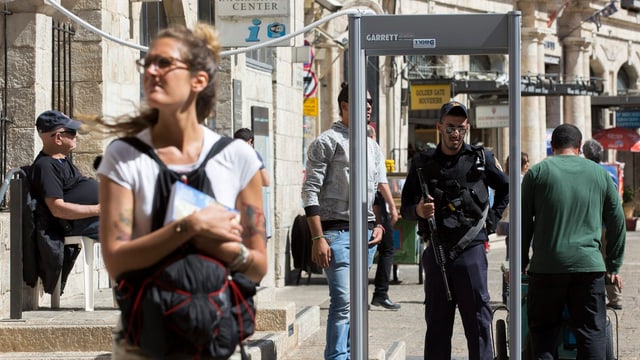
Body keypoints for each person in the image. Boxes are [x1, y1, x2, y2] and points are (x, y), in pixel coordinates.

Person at [95, 23, 267, 357]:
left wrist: (224, 249)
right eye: (147, 62)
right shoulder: (124, 155)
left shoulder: (237, 157)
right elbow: (116, 261)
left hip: (216, 338)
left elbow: (258, 266)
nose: (151, 71)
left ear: (198, 80)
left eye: (164, 63)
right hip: (144, 343)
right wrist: (190, 227)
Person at [400, 100, 509, 360]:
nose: (455, 133)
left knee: (479, 323)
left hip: (471, 251)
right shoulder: (422, 164)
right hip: (436, 252)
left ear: (468, 128)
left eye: (461, 128)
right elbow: (405, 207)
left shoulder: (481, 159)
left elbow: (505, 188)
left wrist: (491, 221)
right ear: (439, 127)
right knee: (437, 328)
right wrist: (418, 211)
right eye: (450, 127)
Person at [302, 83, 393, 360]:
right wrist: (318, 238)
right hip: (335, 233)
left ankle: (354, 353)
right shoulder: (326, 142)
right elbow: (309, 191)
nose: (368, 106)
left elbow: (375, 191)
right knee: (342, 302)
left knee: (356, 303)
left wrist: (378, 225)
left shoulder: (372, 146)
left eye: (370, 102)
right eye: (362, 101)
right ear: (344, 106)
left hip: (366, 236)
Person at [522, 124, 625, 358]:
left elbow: (523, 222)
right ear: (579, 147)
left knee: (544, 334)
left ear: (553, 146)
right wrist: (613, 265)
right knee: (592, 334)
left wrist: (521, 260)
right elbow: (617, 221)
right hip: (589, 268)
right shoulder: (599, 174)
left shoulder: (536, 173)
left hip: (547, 267)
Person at [29, 109, 101, 294]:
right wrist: (99, 209)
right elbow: (58, 209)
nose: (77, 136)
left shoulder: (63, 161)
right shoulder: (46, 166)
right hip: (78, 223)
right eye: (72, 132)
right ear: (58, 138)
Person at [582, 138, 624, 311]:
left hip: (592, 224)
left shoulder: (586, 173)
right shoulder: (610, 172)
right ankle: (615, 297)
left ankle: (590, 294)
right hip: (608, 224)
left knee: (591, 262)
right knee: (608, 261)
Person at [367, 124, 401, 310]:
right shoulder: (374, 150)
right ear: (373, 136)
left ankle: (361, 295)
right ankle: (380, 293)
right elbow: (382, 182)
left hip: (361, 207)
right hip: (377, 207)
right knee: (387, 249)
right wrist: (393, 207)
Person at [498, 151, 529, 304]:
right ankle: (513, 292)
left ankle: (507, 294)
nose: (528, 165)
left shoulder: (505, 179)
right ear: (522, 165)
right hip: (518, 222)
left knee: (510, 258)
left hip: (508, 222)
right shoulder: (523, 180)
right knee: (516, 259)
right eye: (526, 162)